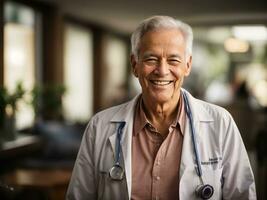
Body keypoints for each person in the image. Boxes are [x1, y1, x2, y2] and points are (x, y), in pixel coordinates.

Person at [66, 16, 256, 200]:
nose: (162, 70)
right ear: (134, 65)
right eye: (151, 59)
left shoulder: (220, 123)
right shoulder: (99, 126)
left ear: (187, 65)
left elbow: (243, 195)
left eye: (173, 60)